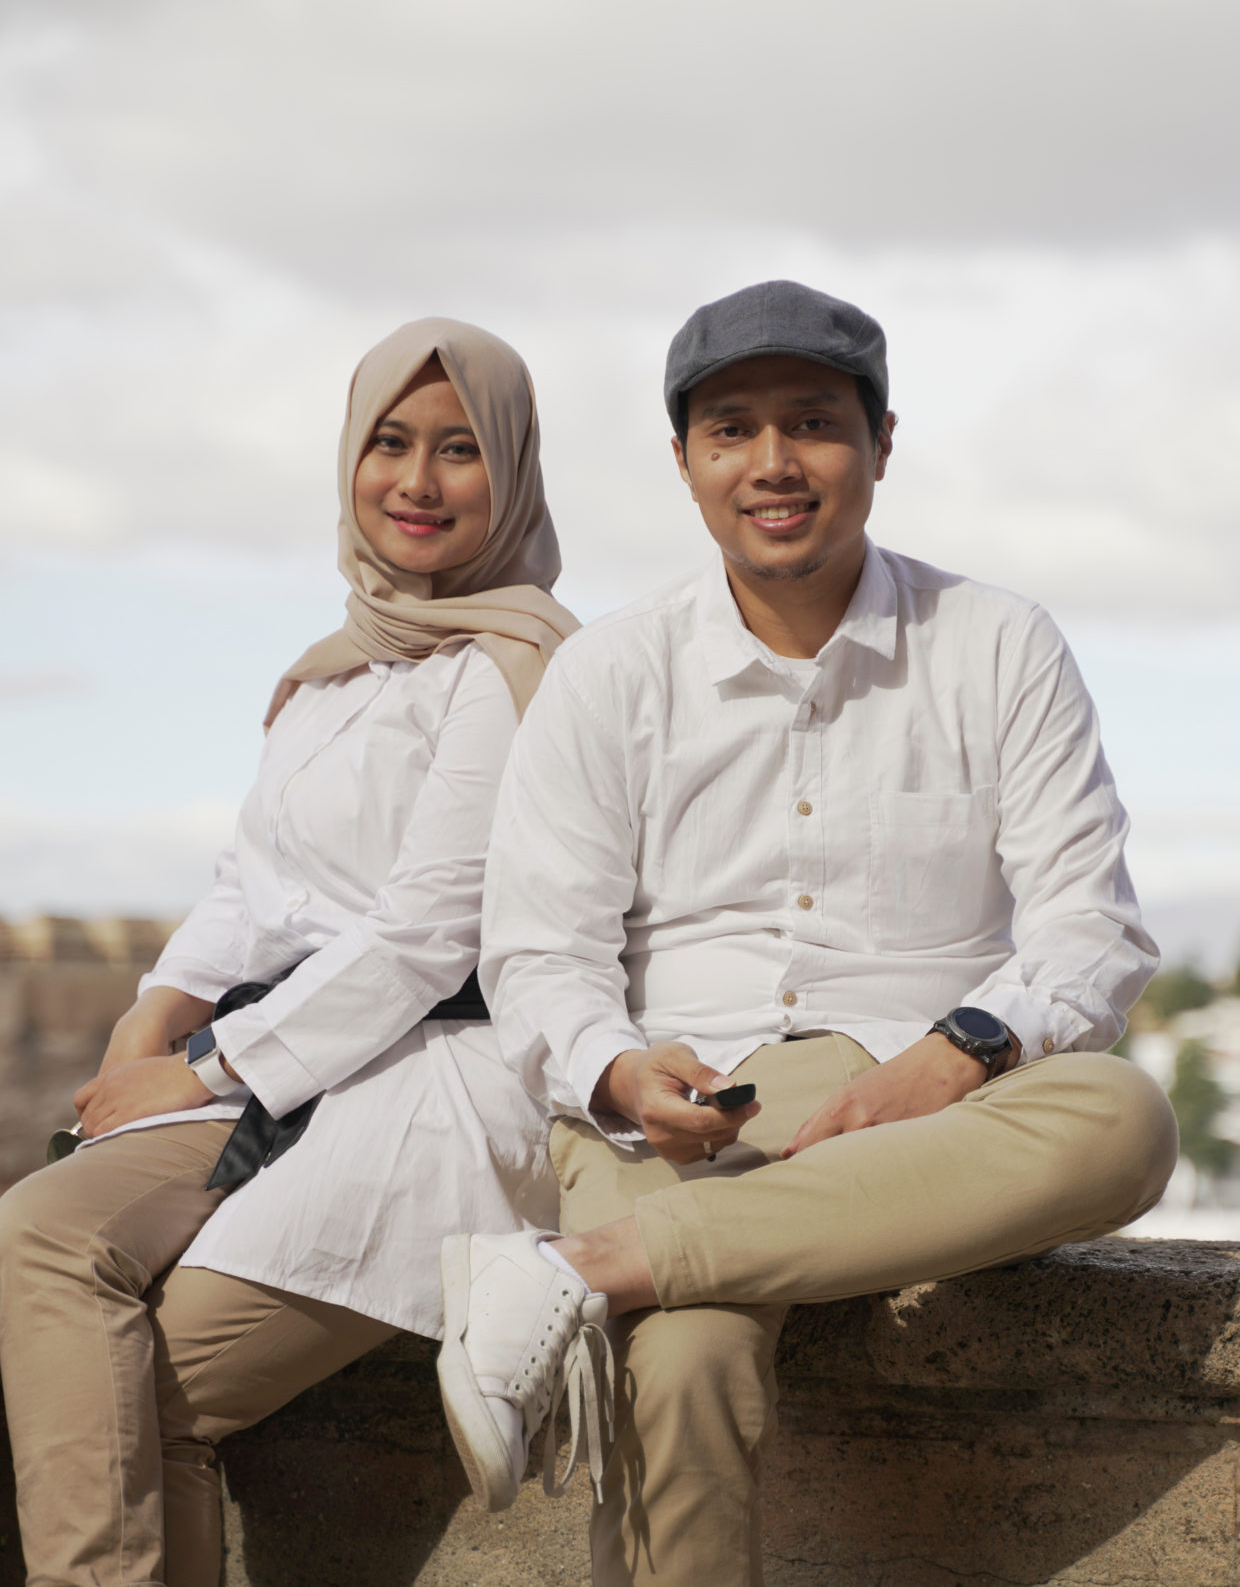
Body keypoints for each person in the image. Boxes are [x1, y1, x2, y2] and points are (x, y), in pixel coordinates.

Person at [437, 281, 1179, 1585]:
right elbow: (539, 952)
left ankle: (572, 1270)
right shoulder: (613, 671)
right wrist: (618, 1070)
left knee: (1126, 1119)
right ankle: (623, 1261)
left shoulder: (997, 645)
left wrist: (957, 1052)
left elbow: (1092, 931)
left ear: (882, 443)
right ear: (684, 464)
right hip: (678, 1103)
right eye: (731, 429)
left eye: (813, 424)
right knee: (684, 1354)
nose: (773, 464)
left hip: (920, 1102)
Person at [0, 319, 580, 1587]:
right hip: (285, 1062)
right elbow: (254, 883)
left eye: (459, 449)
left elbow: (427, 933)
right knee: (72, 1279)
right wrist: (152, 1013)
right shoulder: (333, 673)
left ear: (513, 468)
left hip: (421, 1079)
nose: (414, 482)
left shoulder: (512, 666)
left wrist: (202, 1073)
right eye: (388, 443)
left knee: (126, 1351)